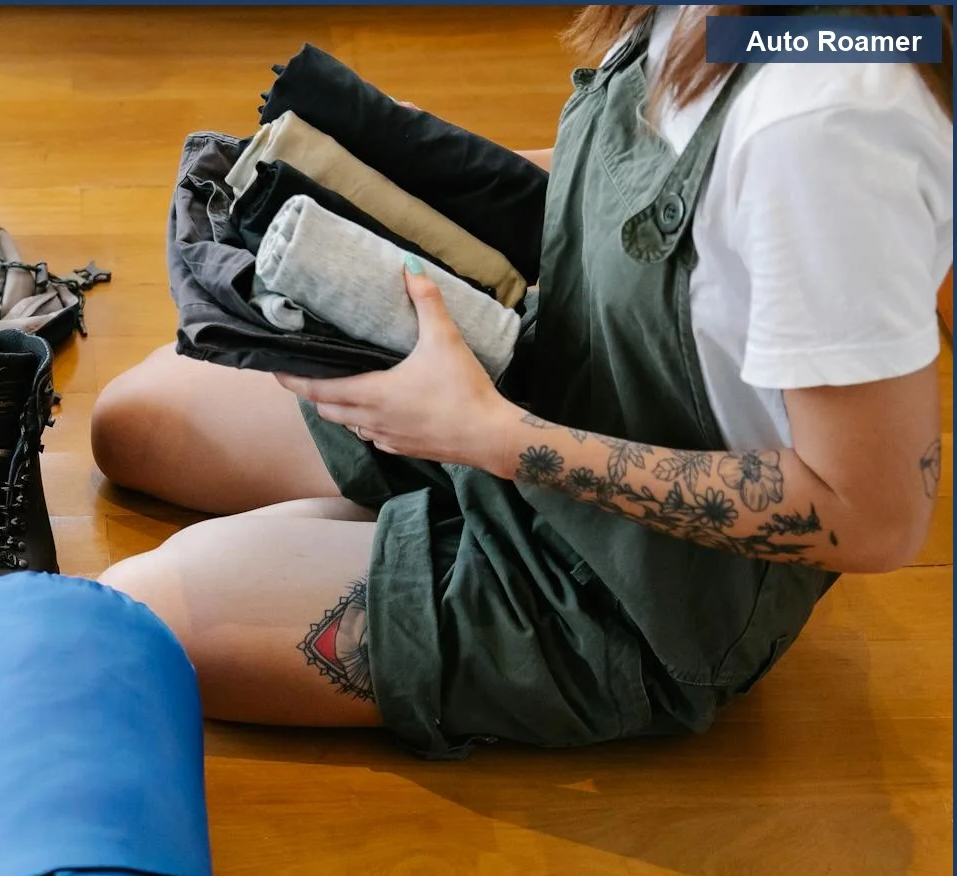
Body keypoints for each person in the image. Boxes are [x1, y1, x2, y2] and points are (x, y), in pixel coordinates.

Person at [93, 5, 953, 757]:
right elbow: (674, 219)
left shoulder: (826, 125)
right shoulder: (738, 23)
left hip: (640, 586)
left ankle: (415, 535)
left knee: (134, 621)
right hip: (551, 375)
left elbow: (871, 516)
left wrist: (493, 440)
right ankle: (399, 521)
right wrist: (406, 163)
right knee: (130, 424)